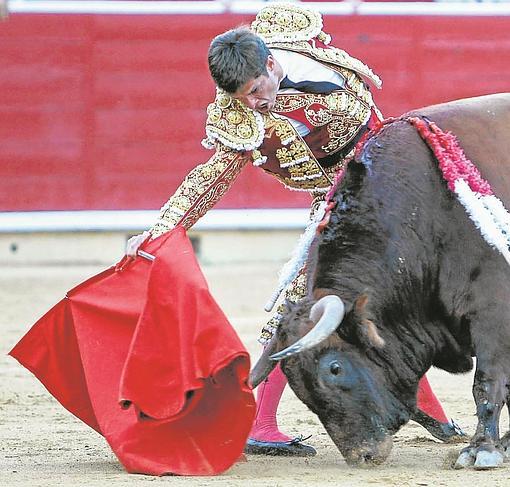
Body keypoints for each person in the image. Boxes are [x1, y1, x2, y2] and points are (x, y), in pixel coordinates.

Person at [127, 2, 463, 457]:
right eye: (242, 96)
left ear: (270, 61)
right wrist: (162, 230)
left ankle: (428, 407)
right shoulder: (239, 113)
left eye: (257, 89)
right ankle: (260, 421)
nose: (254, 102)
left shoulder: (291, 37)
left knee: (397, 295)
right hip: (339, 196)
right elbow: (212, 176)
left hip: (392, 182)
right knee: (303, 304)